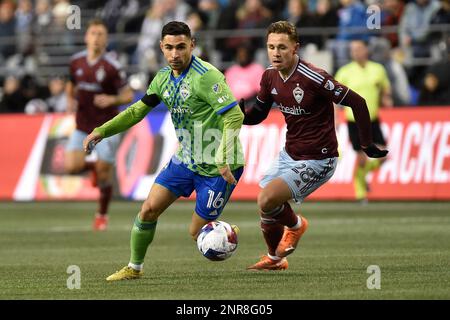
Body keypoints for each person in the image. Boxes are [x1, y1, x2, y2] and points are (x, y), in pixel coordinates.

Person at [83, 21, 245, 281]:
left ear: (192, 44)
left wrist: (223, 156)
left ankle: (226, 233)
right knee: (148, 209)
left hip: (219, 166)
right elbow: (137, 111)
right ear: (161, 47)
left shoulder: (207, 76)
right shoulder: (162, 79)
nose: (175, 54)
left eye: (181, 47)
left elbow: (234, 116)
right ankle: (134, 268)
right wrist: (102, 130)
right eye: (169, 48)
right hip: (186, 160)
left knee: (197, 234)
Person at [239, 21, 388, 271]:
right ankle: (275, 259)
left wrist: (366, 143)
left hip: (319, 159)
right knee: (267, 206)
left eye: (282, 47)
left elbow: (359, 103)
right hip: (290, 154)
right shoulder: (269, 76)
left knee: (267, 198)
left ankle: (296, 226)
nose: (276, 53)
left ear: (295, 48)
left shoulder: (314, 77)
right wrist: (242, 115)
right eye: (271, 47)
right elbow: (259, 114)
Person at [65, 18, 134, 231]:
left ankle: (102, 215)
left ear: (106, 39)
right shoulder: (76, 62)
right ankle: (94, 169)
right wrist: (70, 98)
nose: (96, 37)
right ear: (86, 37)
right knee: (71, 167)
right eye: (93, 33)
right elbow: (71, 84)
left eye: (101, 34)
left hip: (106, 127)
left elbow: (128, 95)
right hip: (82, 124)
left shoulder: (112, 66)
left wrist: (112, 99)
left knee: (104, 175)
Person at [335, 40, 393, 202]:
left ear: (366, 50)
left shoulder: (378, 69)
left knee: (382, 156)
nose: (356, 52)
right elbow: (333, 97)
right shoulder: (345, 72)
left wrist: (386, 98)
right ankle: (360, 192)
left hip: (373, 119)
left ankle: (361, 177)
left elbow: (385, 87)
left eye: (359, 49)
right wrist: (336, 116)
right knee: (361, 158)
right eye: (353, 50)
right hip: (354, 121)